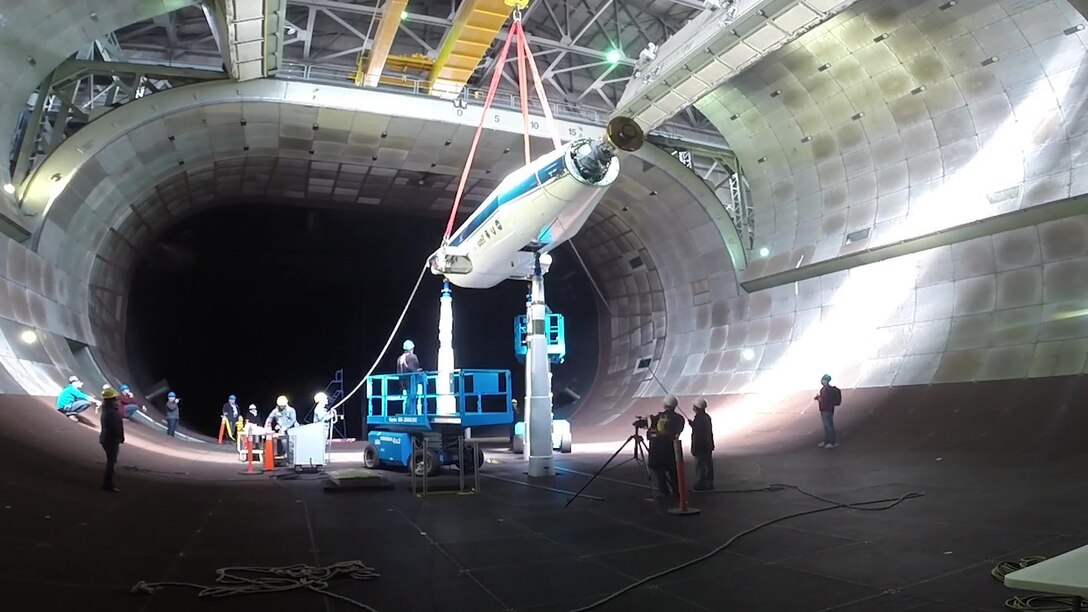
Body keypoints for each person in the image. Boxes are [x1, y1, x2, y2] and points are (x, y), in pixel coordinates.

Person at [647, 395, 685, 497]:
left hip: (657, 449)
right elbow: (675, 433)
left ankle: (664, 490)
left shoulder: (658, 417)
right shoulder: (679, 418)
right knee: (673, 471)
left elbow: (650, 435)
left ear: (664, 404)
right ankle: (677, 489)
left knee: (660, 471)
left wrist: (654, 432)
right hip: (672, 448)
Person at [99, 387, 124, 492]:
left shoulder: (107, 410)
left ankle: (109, 482)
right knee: (111, 462)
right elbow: (115, 427)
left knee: (111, 460)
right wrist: (121, 436)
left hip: (105, 438)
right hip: (111, 439)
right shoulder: (112, 413)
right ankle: (108, 484)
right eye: (116, 399)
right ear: (112, 400)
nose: (118, 401)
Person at [688, 397, 715, 491]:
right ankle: (709, 483)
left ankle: (700, 484)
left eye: (694, 406)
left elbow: (698, 434)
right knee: (708, 464)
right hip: (708, 445)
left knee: (700, 465)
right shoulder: (706, 417)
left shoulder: (699, 418)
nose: (693, 407)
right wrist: (693, 425)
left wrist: (694, 448)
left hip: (701, 445)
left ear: (697, 407)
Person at [814, 374, 842, 448]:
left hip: (826, 409)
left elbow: (825, 400)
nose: (822, 381)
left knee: (828, 426)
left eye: (823, 380)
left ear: (826, 381)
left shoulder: (826, 390)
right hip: (827, 409)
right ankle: (827, 441)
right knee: (827, 426)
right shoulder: (826, 389)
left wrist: (819, 399)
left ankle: (831, 442)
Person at [396, 339, 422, 414]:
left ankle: (406, 414)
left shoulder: (399, 358)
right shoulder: (412, 357)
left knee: (406, 399)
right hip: (411, 382)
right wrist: (419, 371)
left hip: (402, 383)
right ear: (411, 348)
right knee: (412, 398)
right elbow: (414, 369)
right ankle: (411, 414)